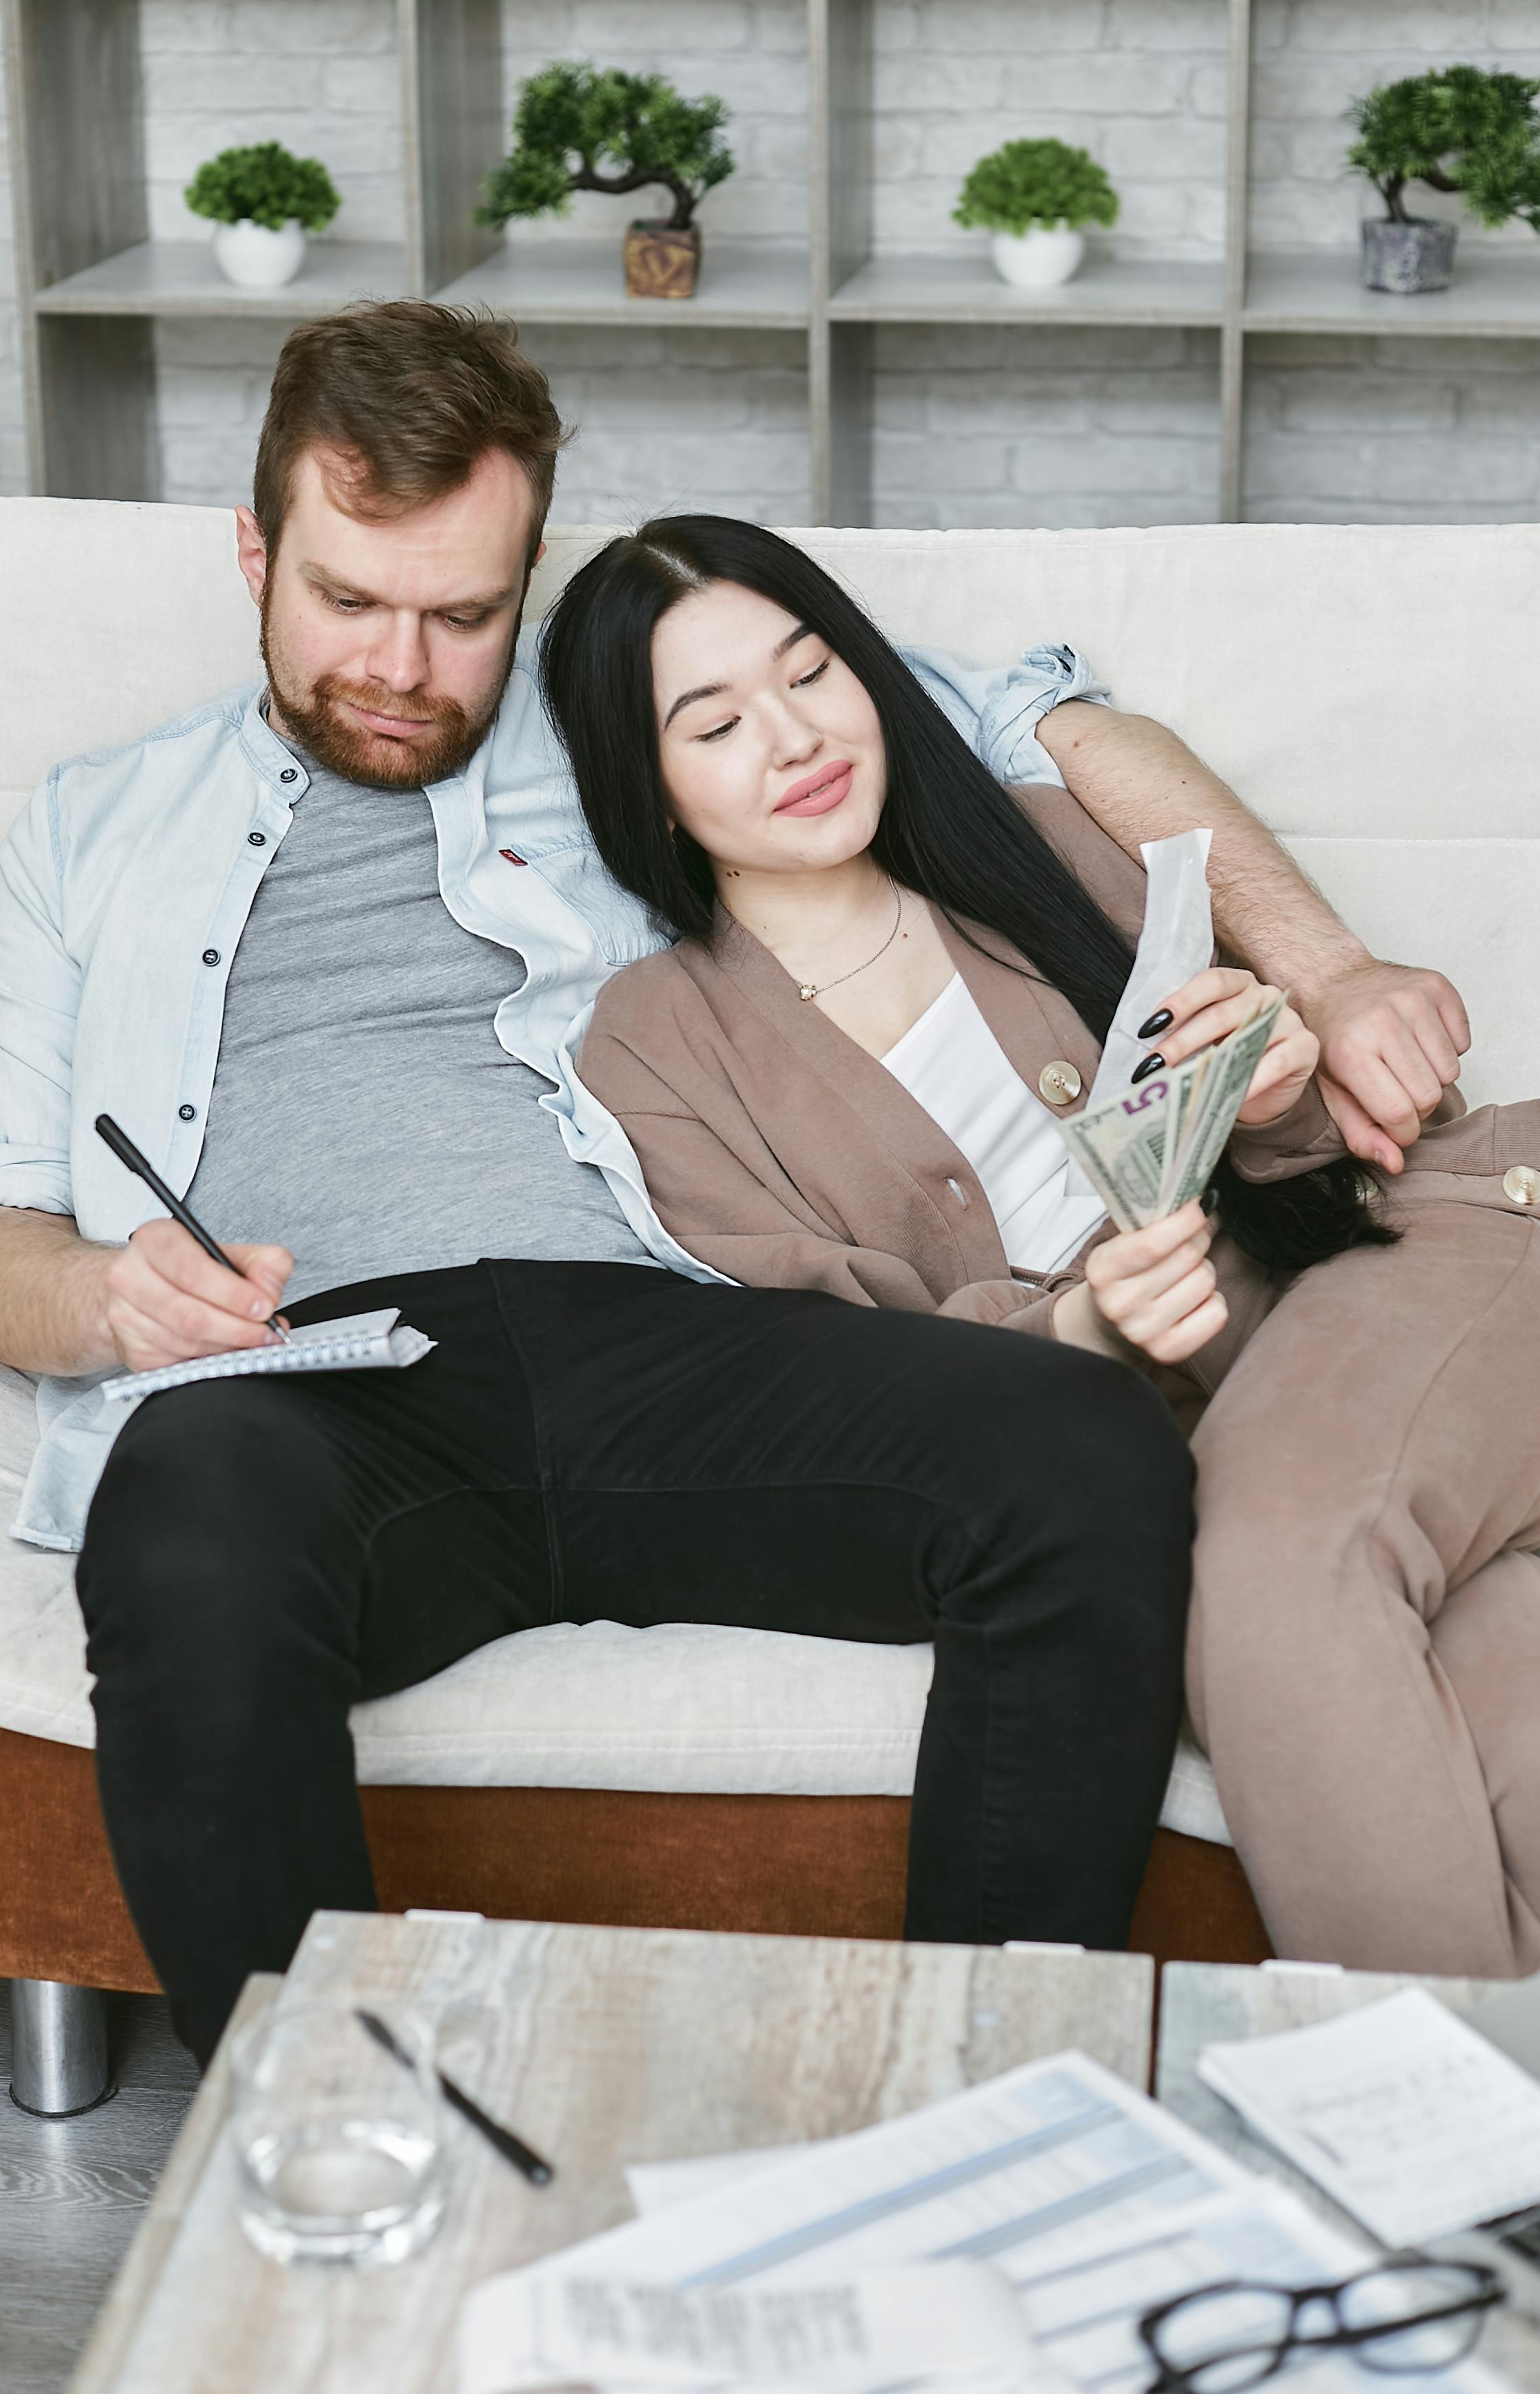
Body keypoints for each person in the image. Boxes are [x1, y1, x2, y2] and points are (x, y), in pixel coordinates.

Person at [0, 304, 1472, 2063]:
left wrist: (1335, 973)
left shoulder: (630, 714)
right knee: (181, 1498)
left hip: (681, 1344)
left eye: (463, 614)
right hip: (317, 1384)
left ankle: (982, 2100)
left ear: (526, 570)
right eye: (348, 603)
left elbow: (1039, 725)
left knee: (1081, 1443)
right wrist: (115, 1294)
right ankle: (331, 2139)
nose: (404, 667)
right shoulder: (88, 826)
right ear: (252, 549)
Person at [546, 513, 1540, 1983]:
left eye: (811, 671)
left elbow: (1353, 1149)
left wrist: (1272, 1091)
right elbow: (826, 1362)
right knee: (1479, 1724)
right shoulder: (649, 1044)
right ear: (647, 784)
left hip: (1409, 1263)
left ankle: (1417, 2171)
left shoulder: (1036, 838)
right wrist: (1079, 1337)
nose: (793, 736)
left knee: (1264, 1576)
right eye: (713, 721)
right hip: (1175, 1454)